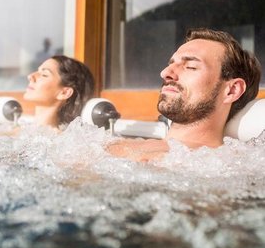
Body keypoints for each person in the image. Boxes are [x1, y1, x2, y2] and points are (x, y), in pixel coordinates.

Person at [108, 28, 262, 162]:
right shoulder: (121, 144)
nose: (165, 73)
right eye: (171, 64)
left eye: (190, 66)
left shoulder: (219, 167)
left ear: (232, 90)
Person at [24, 55, 95, 128]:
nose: (30, 76)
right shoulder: (18, 130)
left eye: (44, 75)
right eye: (38, 71)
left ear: (64, 92)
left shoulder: (63, 138)